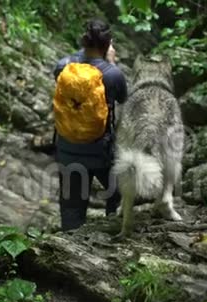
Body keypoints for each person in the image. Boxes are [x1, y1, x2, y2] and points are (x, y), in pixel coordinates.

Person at [52, 18, 128, 231]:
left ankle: (70, 244)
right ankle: (112, 226)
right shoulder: (112, 74)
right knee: (119, 191)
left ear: (84, 41)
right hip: (101, 153)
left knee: (71, 207)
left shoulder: (62, 66)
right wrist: (110, 62)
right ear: (107, 46)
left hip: (67, 151)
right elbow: (122, 98)